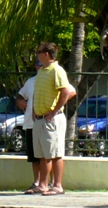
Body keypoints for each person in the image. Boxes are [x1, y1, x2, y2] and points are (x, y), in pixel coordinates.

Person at [32, 42, 76, 196]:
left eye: (39, 51)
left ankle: (57, 185)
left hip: (52, 119)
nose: (37, 54)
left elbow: (66, 91)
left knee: (55, 153)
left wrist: (54, 111)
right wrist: (33, 110)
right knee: (43, 155)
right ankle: (43, 185)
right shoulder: (42, 71)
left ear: (46, 54)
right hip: (39, 119)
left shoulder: (57, 70)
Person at [16, 59, 50, 194]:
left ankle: (47, 182)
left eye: (42, 62)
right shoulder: (31, 81)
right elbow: (20, 95)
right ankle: (36, 182)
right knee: (34, 156)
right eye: (38, 63)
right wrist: (20, 102)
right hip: (31, 123)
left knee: (47, 155)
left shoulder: (50, 79)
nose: (40, 65)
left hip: (46, 122)